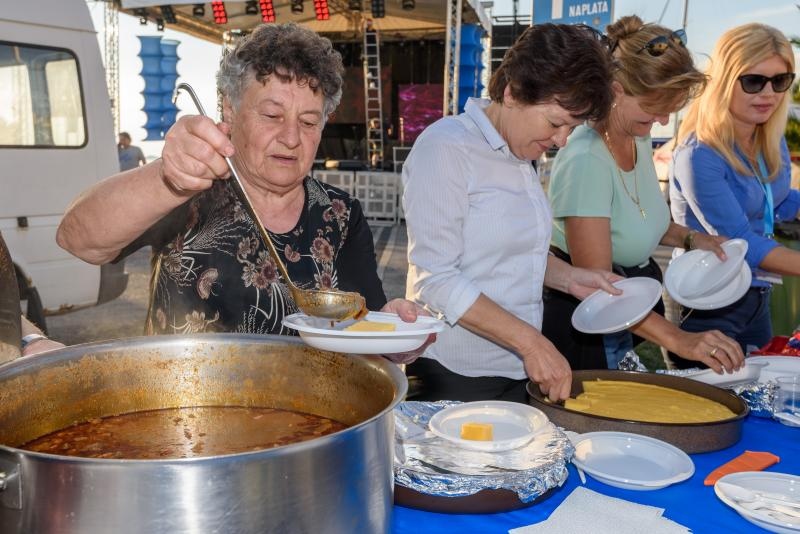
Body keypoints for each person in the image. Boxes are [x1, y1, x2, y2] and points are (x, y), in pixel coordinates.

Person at [57, 23, 428, 362]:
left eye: (309, 121)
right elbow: (79, 239)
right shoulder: (188, 190)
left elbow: (368, 324)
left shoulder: (340, 214)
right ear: (230, 112)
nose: (291, 137)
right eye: (272, 115)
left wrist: (397, 332)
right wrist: (167, 178)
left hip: (310, 422)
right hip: (185, 416)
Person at [402, 23, 623, 404]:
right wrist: (531, 342)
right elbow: (435, 278)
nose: (561, 141)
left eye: (571, 128)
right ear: (513, 91)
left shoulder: (522, 153)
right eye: (556, 122)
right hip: (456, 375)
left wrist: (570, 278)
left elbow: (507, 253)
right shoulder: (446, 147)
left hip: (516, 369)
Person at [542, 16, 743, 373]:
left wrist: (693, 238)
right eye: (655, 107)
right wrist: (680, 340)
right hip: (586, 327)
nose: (663, 121)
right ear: (615, 89)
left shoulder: (637, 134)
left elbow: (636, 217)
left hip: (630, 312)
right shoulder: (587, 158)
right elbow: (601, 288)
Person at [669, 23, 800, 364]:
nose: (768, 93)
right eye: (754, 81)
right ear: (725, 80)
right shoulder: (700, 154)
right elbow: (741, 242)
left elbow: (778, 201)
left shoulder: (769, 138)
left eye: (780, 80)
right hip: (709, 306)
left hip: (755, 295)